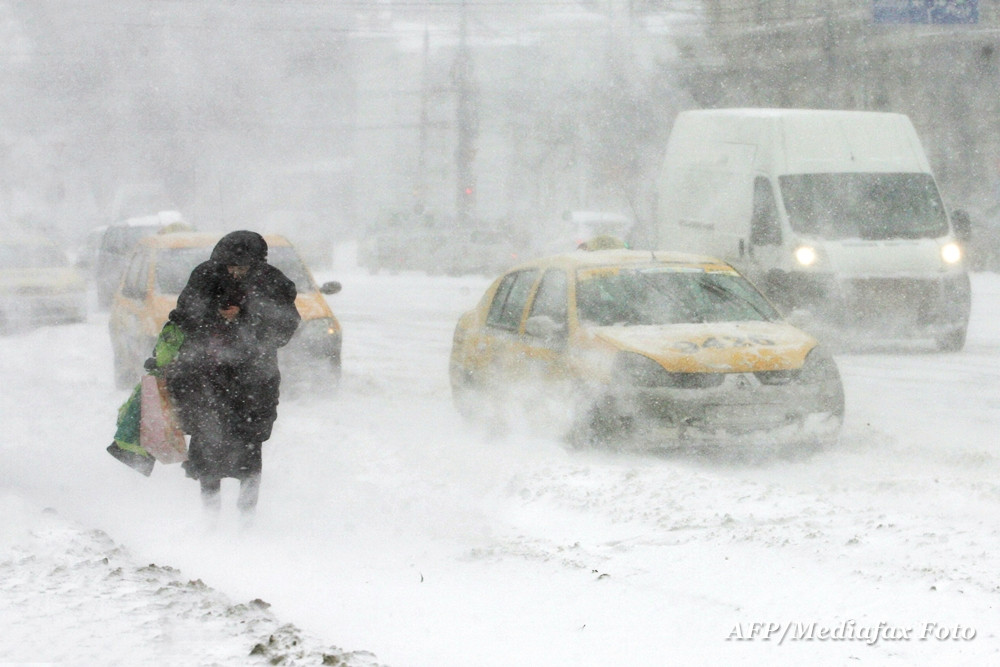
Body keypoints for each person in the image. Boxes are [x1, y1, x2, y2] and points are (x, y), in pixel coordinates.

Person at [163, 231, 300, 516]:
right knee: (208, 451)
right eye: (229, 266)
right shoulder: (204, 276)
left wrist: (245, 316)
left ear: (257, 263)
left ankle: (246, 517)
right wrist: (214, 313)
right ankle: (210, 516)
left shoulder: (274, 283)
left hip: (253, 384)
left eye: (242, 266)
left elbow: (284, 327)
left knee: (249, 453)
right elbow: (184, 315)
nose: (235, 271)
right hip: (205, 380)